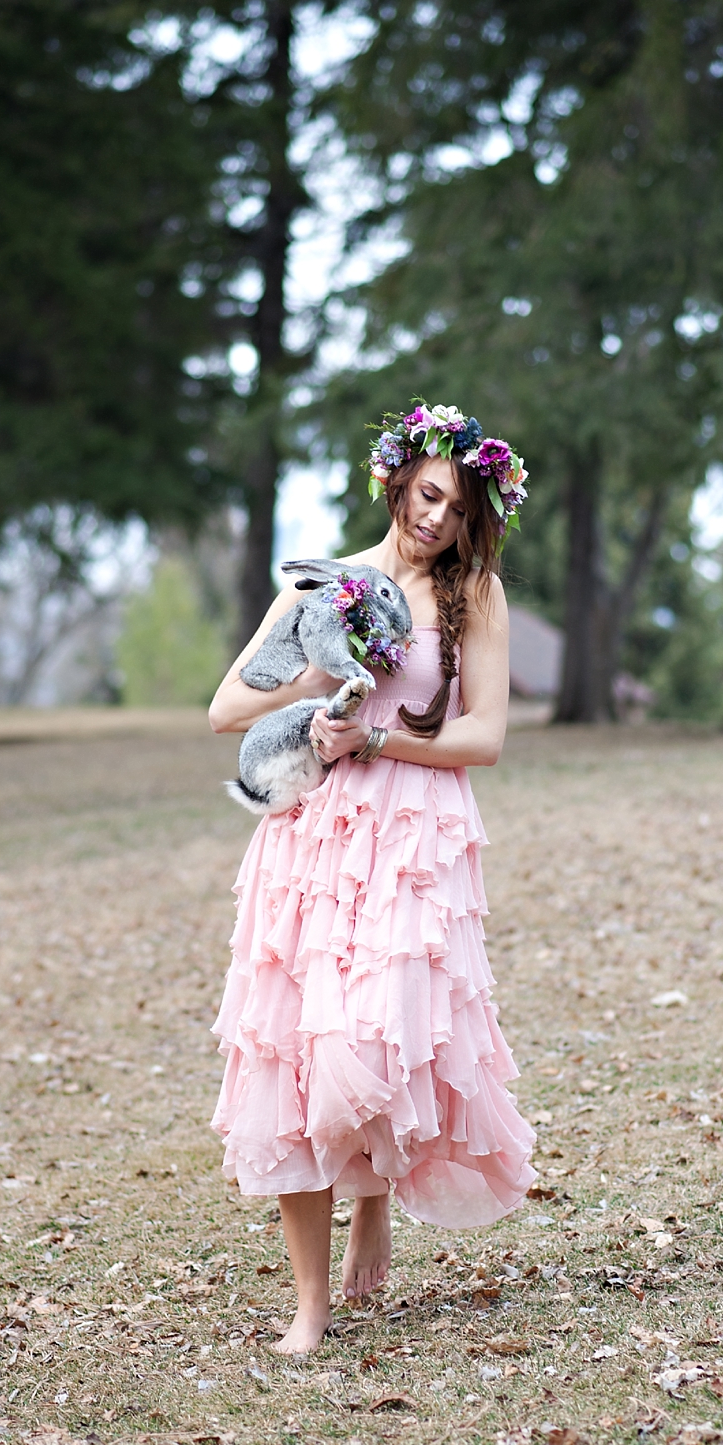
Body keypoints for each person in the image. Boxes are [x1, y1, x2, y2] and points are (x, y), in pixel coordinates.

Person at [207, 402, 538, 1354]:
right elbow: (226, 706)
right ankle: (309, 1306)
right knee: (300, 1056)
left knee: (378, 1042)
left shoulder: (475, 596)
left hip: (411, 834)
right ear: (397, 481)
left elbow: (485, 735)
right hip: (312, 839)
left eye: (461, 509)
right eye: (429, 495)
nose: (439, 519)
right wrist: (319, 679)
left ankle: (374, 1195)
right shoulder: (326, 583)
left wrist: (383, 735)